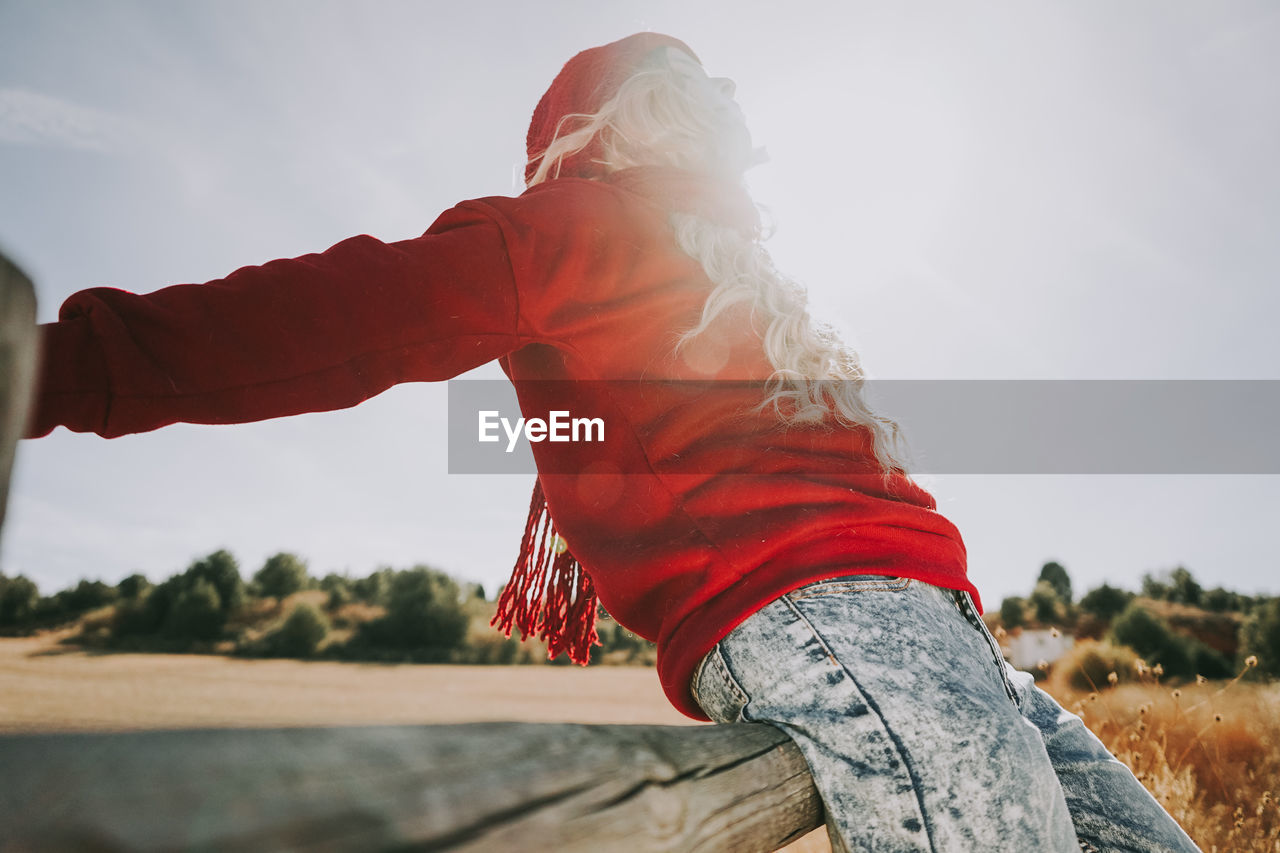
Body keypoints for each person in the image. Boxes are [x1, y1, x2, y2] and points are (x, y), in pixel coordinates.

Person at [26, 32, 1201, 852]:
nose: (730, 89)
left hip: (944, 634)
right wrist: (45, 369)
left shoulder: (734, 263)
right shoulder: (566, 231)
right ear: (626, 112)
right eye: (695, 74)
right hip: (831, 625)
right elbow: (317, 323)